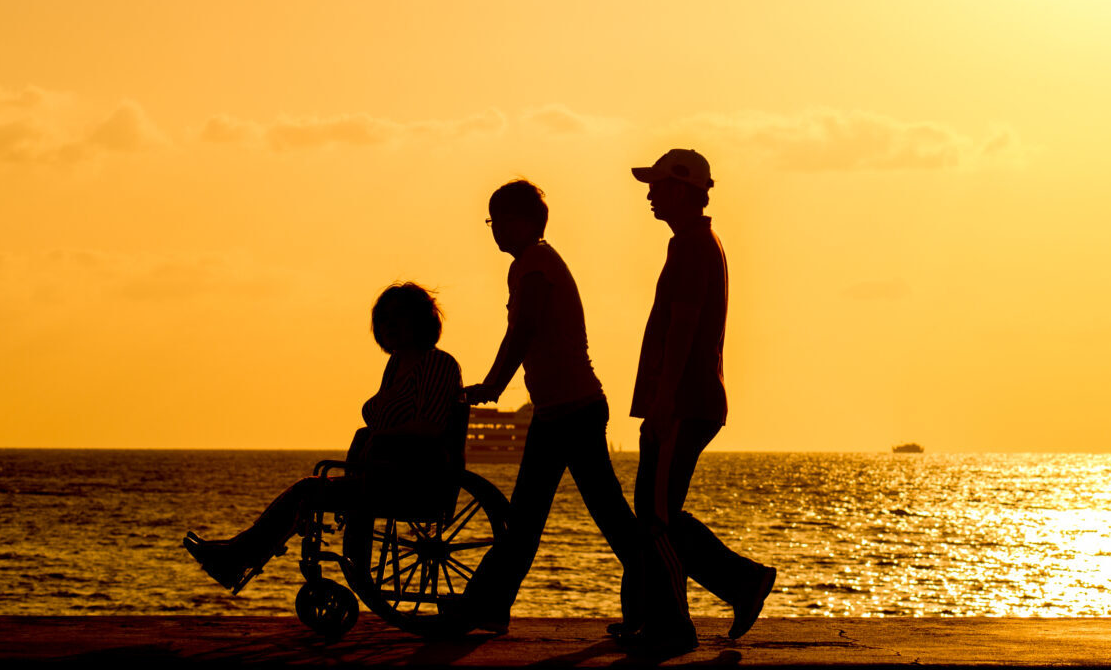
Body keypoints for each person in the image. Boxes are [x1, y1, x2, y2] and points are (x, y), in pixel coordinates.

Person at [457, 180, 681, 641]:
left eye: (496, 220)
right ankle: (491, 607)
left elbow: (524, 330)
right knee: (541, 518)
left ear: (521, 221)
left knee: (593, 518)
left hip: (571, 411)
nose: (492, 230)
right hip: (559, 411)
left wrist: (493, 385)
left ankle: (661, 610)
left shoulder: (534, 265)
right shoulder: (533, 262)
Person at [184, 282, 463, 593]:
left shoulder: (438, 364)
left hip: (414, 478)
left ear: (420, 320)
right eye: (384, 319)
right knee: (310, 489)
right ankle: (238, 555)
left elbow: (431, 427)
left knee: (308, 489)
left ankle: (236, 555)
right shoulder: (397, 363)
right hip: (379, 473)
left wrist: (382, 436)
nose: (390, 326)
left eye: (399, 317)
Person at [628, 149, 776, 644]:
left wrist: (664, 400)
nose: (649, 194)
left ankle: (679, 620)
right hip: (686, 400)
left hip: (685, 402)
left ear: (681, 190)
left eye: (657, 186)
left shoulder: (692, 246)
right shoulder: (692, 243)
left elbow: (685, 326)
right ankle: (687, 604)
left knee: (656, 516)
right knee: (655, 509)